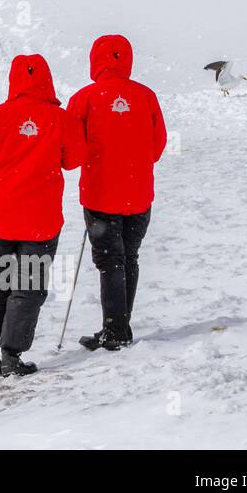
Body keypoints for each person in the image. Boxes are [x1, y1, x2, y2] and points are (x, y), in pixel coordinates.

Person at [0, 54, 85, 376]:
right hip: (39, 222)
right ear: (45, 79)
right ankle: (11, 355)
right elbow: (74, 158)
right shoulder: (59, 120)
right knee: (27, 287)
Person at [67, 34, 167, 351]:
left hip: (100, 196)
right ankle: (120, 326)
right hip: (138, 195)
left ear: (96, 60)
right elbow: (158, 144)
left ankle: (115, 331)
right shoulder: (146, 96)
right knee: (130, 257)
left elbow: (71, 149)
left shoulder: (85, 98)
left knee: (111, 262)